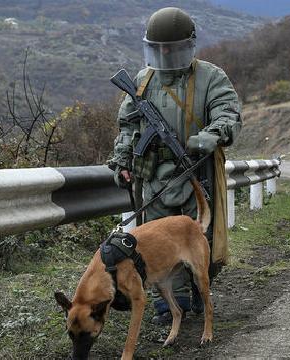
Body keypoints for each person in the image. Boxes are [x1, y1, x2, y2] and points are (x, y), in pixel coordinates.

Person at [107, 7, 242, 324]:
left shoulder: (211, 77)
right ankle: (169, 304)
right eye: (159, 48)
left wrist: (211, 135)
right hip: (153, 176)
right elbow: (128, 126)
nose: (165, 53)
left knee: (200, 239)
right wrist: (123, 160)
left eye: (171, 47)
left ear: (188, 45)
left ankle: (200, 286)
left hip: (197, 173)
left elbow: (228, 114)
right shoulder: (142, 81)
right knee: (155, 243)